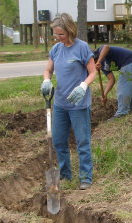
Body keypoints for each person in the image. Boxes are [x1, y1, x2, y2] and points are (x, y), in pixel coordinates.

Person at [40, 13, 96, 190]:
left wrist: (83, 86)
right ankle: (65, 173)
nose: (58, 38)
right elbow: (48, 70)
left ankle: (86, 177)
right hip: (60, 104)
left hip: (78, 104)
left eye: (61, 34)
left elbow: (93, 72)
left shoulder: (82, 47)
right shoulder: (56, 49)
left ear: (70, 31)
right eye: (55, 35)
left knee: (82, 141)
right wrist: (46, 80)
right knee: (58, 141)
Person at [93, 45, 132, 119]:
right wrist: (104, 94)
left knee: (123, 87)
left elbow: (106, 47)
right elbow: (111, 80)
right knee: (128, 87)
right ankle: (131, 109)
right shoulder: (102, 66)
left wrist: (98, 62)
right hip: (131, 64)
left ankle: (122, 113)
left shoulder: (100, 51)